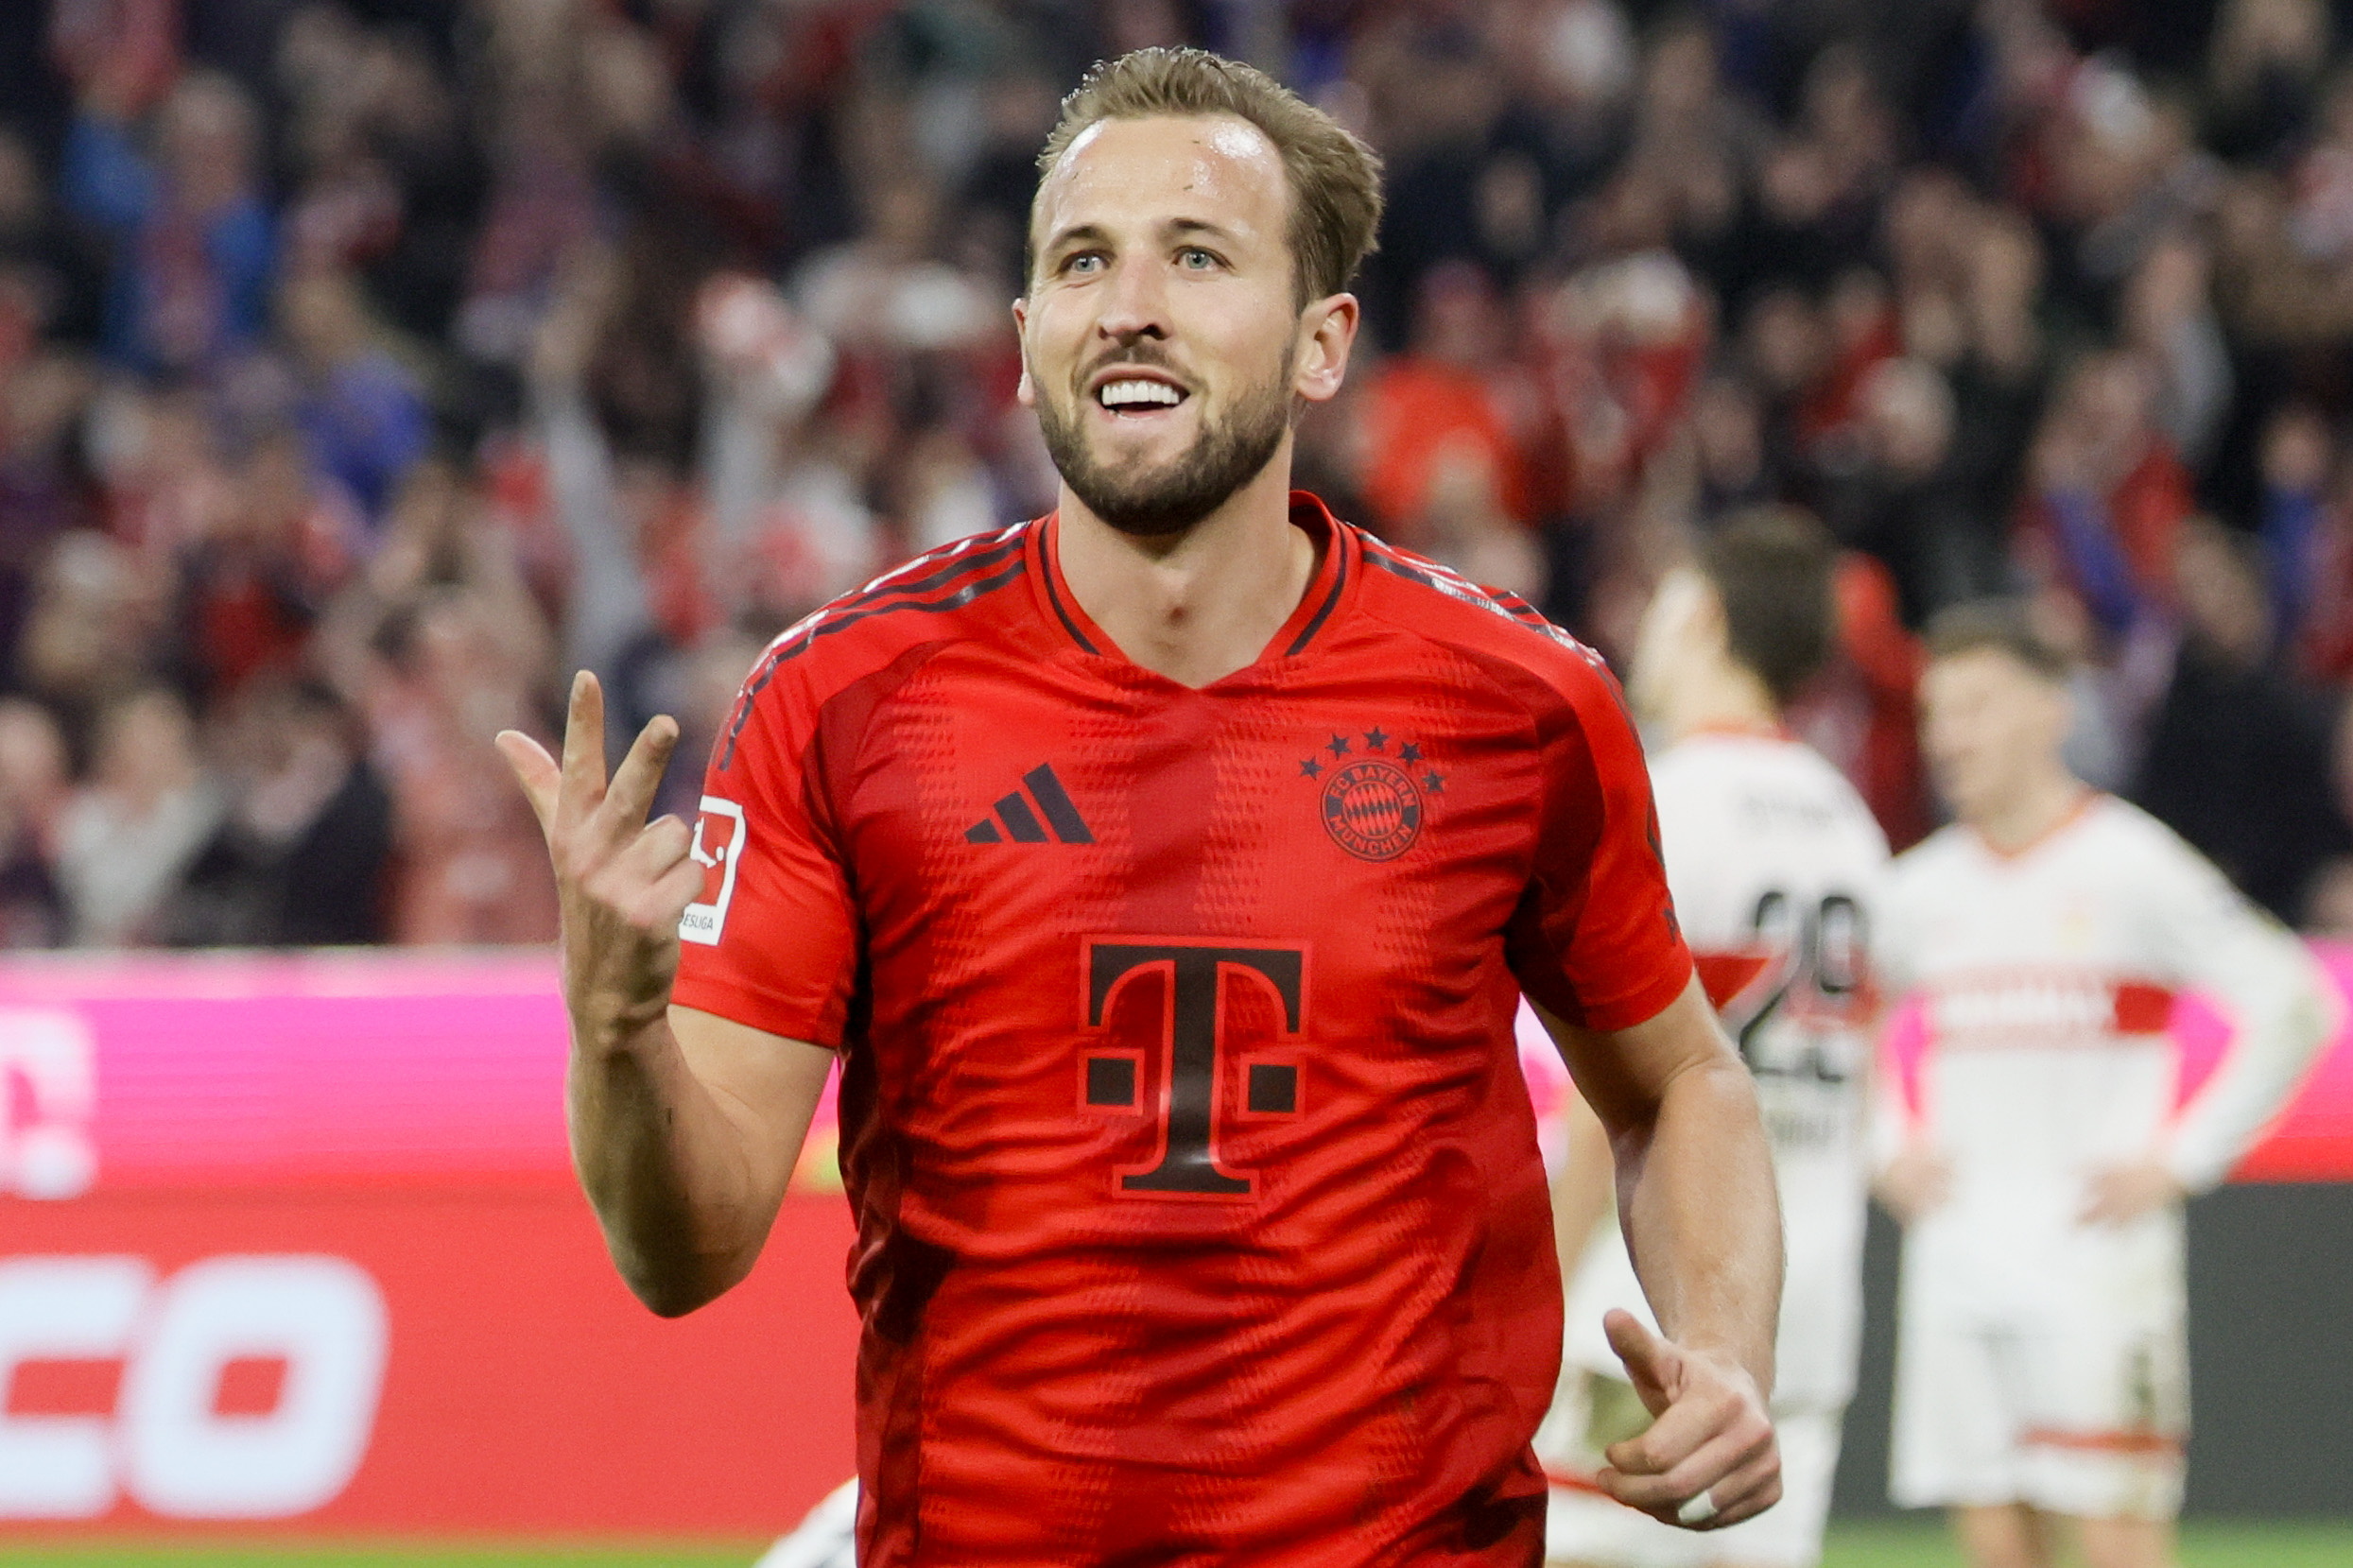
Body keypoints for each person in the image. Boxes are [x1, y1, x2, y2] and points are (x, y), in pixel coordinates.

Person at [500, 48, 1784, 1564]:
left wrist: (1725, 1346)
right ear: (1029, 328)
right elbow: (681, 1251)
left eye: (1196, 255)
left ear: (1322, 342)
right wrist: (619, 1034)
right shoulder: (842, 700)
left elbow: (1679, 1078)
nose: (1130, 302)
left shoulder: (1515, 701)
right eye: (1082, 259)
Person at [1876, 601, 2340, 1568]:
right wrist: (1880, 1145)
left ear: (2048, 712)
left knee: (2118, 1543)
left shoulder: (2129, 865)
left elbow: (2293, 1003)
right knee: (1995, 1544)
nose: (1947, 736)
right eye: (1934, 712)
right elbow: (1826, 1032)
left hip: (2094, 1266)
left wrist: (2180, 1158)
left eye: (1973, 705)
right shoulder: (1915, 891)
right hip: (1959, 1261)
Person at [1540, 510, 1890, 1568]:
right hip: (1804, 1301)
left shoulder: (1662, 800)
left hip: (1644, 1303)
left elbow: (1631, 1089)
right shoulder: (1850, 824)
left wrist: (1539, 1281)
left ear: (1696, 616)